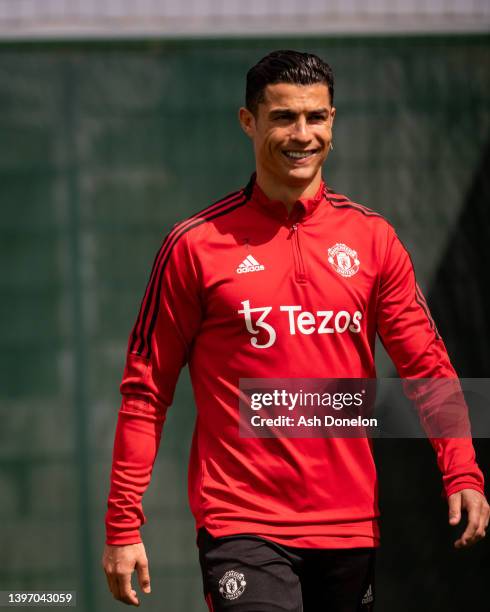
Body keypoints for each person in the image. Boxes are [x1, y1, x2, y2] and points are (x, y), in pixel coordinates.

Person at [102, 50, 489, 611]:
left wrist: (463, 471)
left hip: (350, 524)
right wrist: (122, 523)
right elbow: (146, 390)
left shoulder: (373, 240)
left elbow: (426, 364)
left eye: (317, 117)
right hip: (240, 522)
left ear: (333, 121)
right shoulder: (194, 246)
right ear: (248, 122)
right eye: (284, 117)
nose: (302, 134)